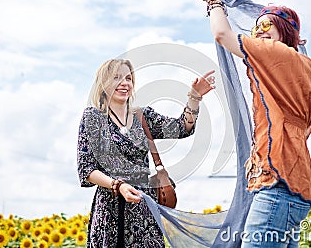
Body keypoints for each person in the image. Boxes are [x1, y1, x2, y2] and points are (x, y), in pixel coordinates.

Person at [201, 0, 311, 248]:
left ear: (284, 30)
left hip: (277, 183)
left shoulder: (277, 54)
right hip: (295, 184)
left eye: (266, 25)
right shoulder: (302, 69)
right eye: (256, 28)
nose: (259, 32)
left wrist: (214, 2)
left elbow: (222, 34)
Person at [76, 58, 215, 247]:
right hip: (110, 210)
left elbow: (182, 128)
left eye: (128, 78)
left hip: (143, 209)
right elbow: (86, 169)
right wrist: (119, 186)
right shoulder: (93, 118)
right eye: (117, 77)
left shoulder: (143, 116)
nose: (125, 83)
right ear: (104, 83)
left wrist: (194, 98)